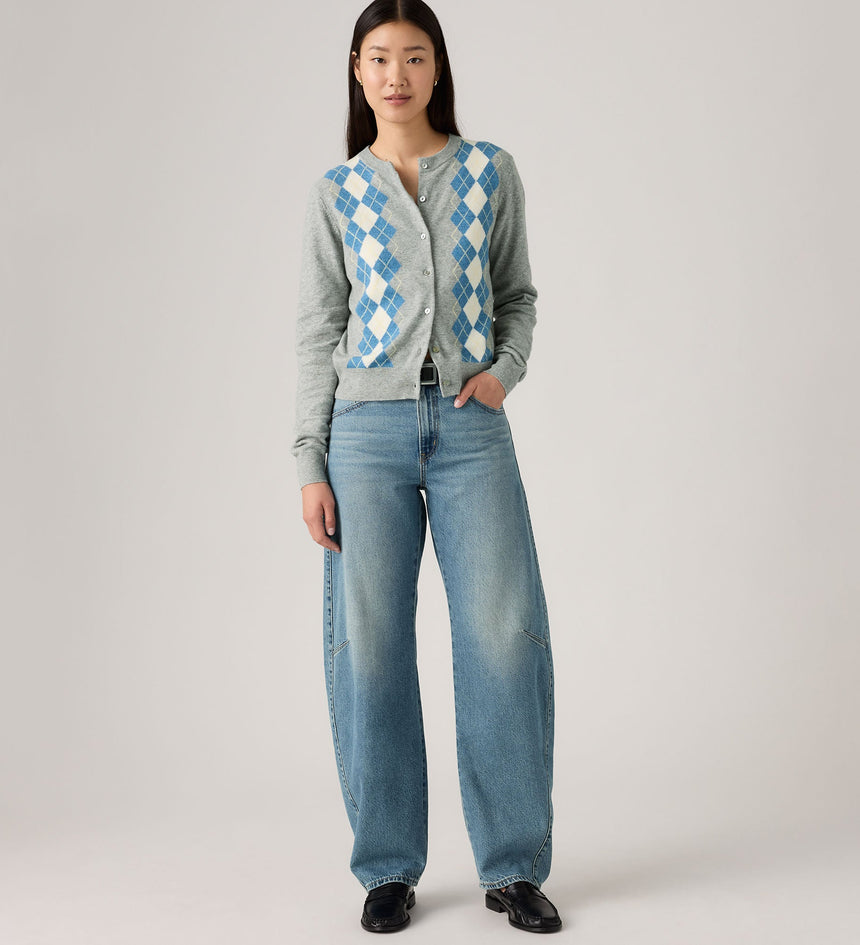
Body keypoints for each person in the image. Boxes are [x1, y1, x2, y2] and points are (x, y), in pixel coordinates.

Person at [292, 0, 561, 933]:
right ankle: (387, 868)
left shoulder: (488, 171)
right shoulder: (338, 192)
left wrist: (503, 374)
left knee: (502, 634)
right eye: (378, 58)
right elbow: (317, 330)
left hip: (469, 427)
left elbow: (518, 295)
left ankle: (513, 866)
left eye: (413, 57)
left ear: (436, 68)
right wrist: (309, 460)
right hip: (363, 434)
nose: (395, 75)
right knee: (368, 645)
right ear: (357, 72)